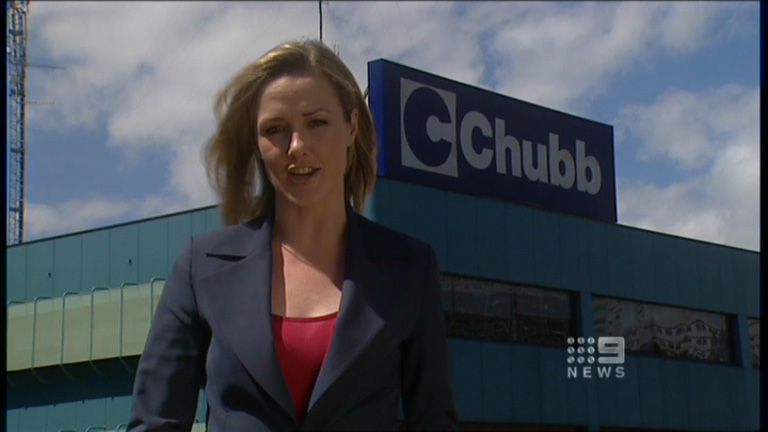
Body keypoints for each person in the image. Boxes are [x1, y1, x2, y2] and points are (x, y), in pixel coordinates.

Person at [128, 38, 458, 431]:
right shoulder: (202, 267)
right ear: (257, 143)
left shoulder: (409, 269)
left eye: (316, 122)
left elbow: (434, 421)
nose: (297, 146)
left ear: (352, 127)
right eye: (276, 129)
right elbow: (156, 422)